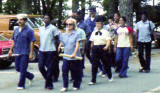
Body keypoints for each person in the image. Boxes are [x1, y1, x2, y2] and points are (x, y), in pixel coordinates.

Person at [8, 14, 36, 90]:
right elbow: (13, 40)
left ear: (25, 20)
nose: (19, 21)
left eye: (21, 20)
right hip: (17, 51)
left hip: (25, 52)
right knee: (17, 68)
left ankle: (21, 85)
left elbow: (32, 41)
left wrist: (31, 53)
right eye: (18, 20)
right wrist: (11, 49)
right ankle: (30, 76)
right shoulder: (16, 30)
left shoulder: (29, 30)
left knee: (23, 69)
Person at [88, 16, 113, 85]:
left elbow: (108, 40)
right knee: (94, 64)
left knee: (106, 63)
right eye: (97, 24)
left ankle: (110, 76)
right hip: (95, 48)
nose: (98, 25)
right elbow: (92, 42)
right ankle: (93, 80)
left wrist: (106, 47)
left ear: (102, 24)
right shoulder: (94, 32)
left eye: (99, 23)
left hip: (102, 48)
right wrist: (91, 50)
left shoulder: (105, 32)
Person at [59, 18, 82, 92]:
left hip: (75, 57)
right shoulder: (63, 34)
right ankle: (65, 86)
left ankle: (76, 85)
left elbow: (77, 45)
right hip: (66, 56)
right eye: (67, 24)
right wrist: (59, 47)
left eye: (70, 24)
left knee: (75, 72)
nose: (68, 26)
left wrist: (74, 54)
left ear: (73, 25)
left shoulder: (77, 34)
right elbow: (62, 44)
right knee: (64, 71)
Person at [38, 14, 59, 90]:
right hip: (42, 50)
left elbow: (57, 39)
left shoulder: (53, 28)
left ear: (50, 19)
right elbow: (41, 39)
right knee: (40, 66)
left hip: (50, 50)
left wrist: (56, 50)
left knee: (50, 68)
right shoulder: (41, 28)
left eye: (47, 18)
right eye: (44, 18)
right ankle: (49, 79)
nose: (46, 19)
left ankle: (49, 85)